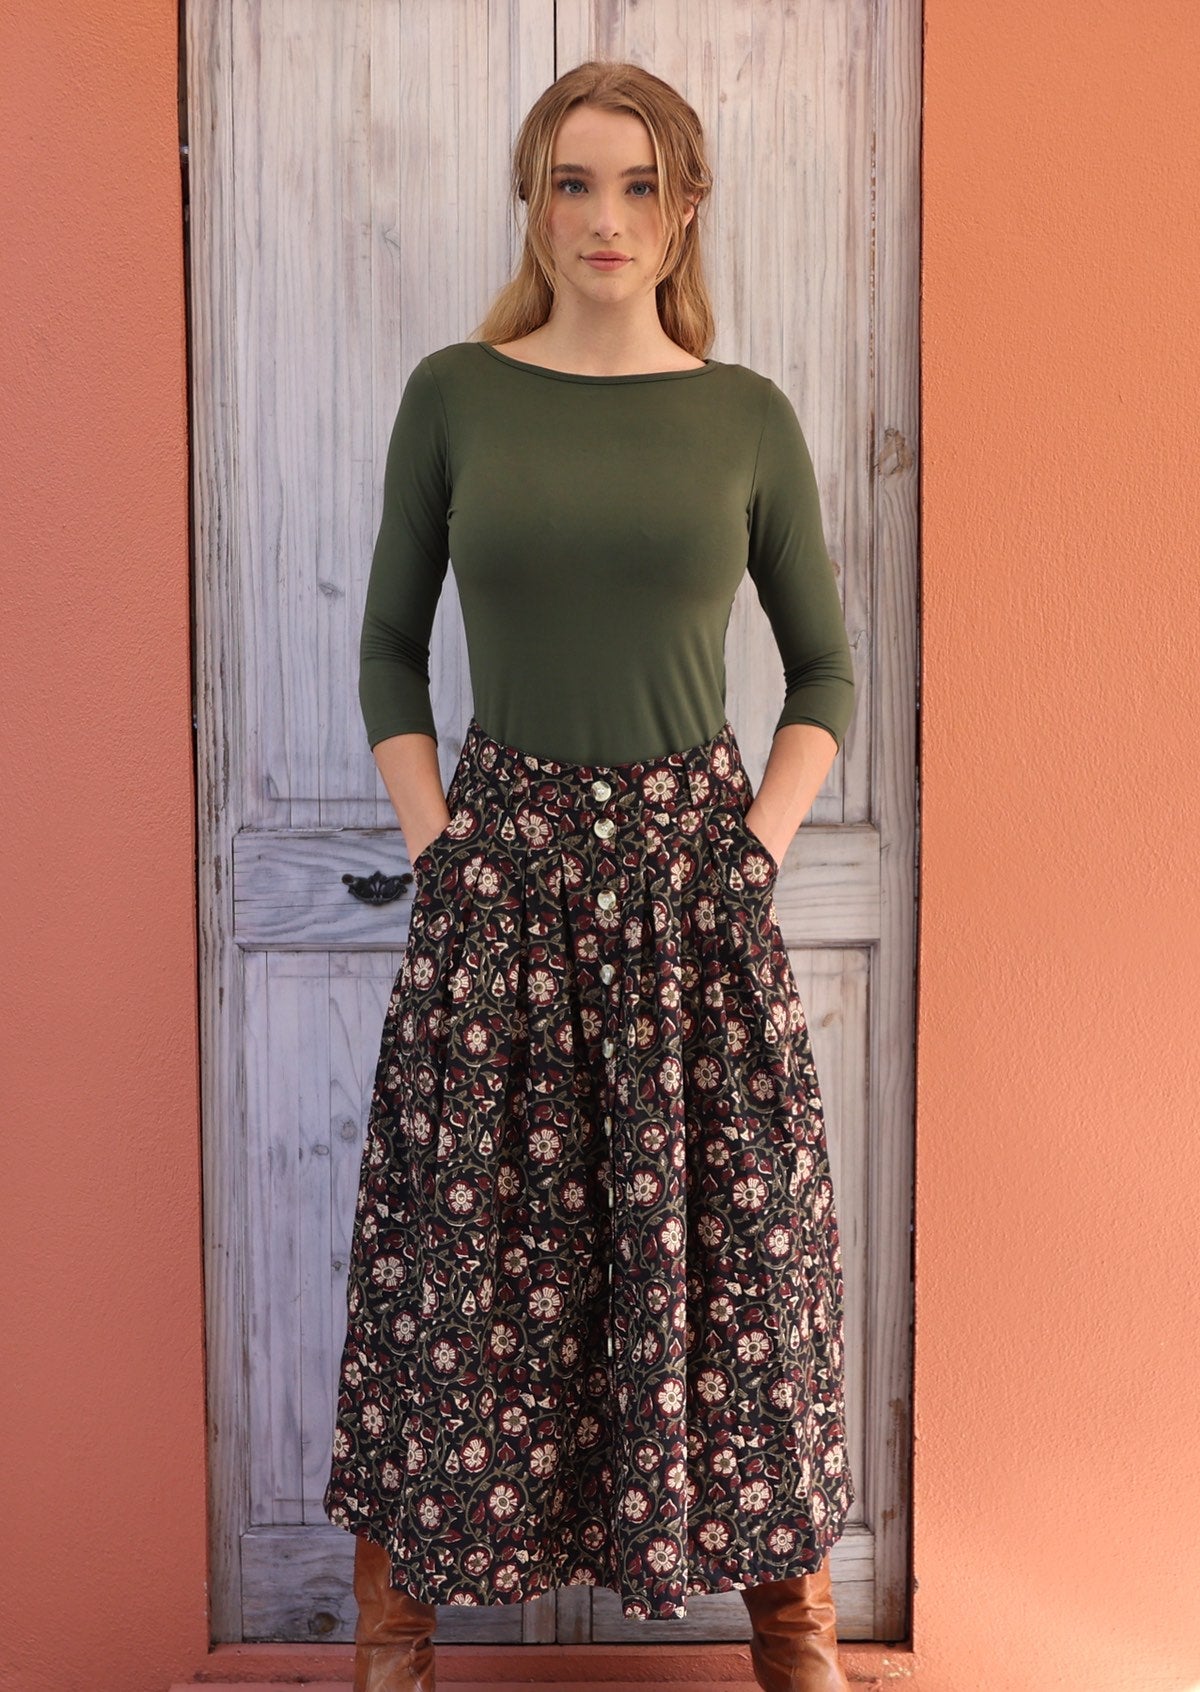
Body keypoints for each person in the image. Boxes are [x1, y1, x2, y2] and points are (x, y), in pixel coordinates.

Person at [323, 59, 857, 1692]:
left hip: (691, 900)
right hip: (504, 894)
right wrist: (443, 843)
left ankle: (794, 1634)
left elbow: (827, 673)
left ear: (684, 206)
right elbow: (390, 651)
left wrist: (749, 850)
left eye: (637, 185)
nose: (604, 218)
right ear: (534, 201)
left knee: (739, 1256)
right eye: (573, 183)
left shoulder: (745, 415)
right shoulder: (457, 394)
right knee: (458, 1256)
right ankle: (393, 1641)